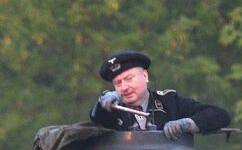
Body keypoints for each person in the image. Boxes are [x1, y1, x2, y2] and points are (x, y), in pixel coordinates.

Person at [89, 50, 230, 140]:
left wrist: (185, 124)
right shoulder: (113, 109)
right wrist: (103, 104)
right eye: (118, 83)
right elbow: (98, 118)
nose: (124, 87)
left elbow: (219, 115)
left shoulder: (168, 101)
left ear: (145, 76)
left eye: (129, 79)